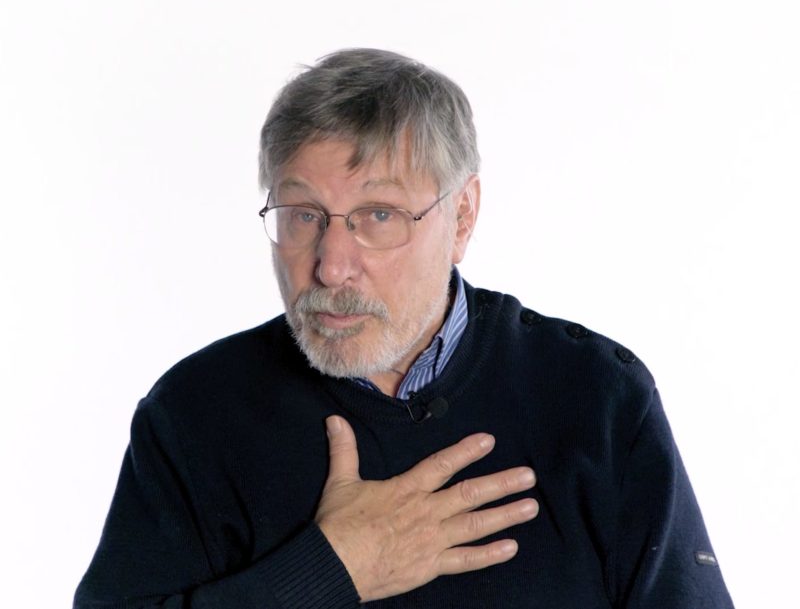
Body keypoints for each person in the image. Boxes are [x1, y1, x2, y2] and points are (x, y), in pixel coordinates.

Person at [75, 48, 734, 608]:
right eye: (303, 214)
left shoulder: (596, 396)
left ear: (463, 216)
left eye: (379, 215)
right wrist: (328, 571)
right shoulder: (195, 415)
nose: (331, 265)